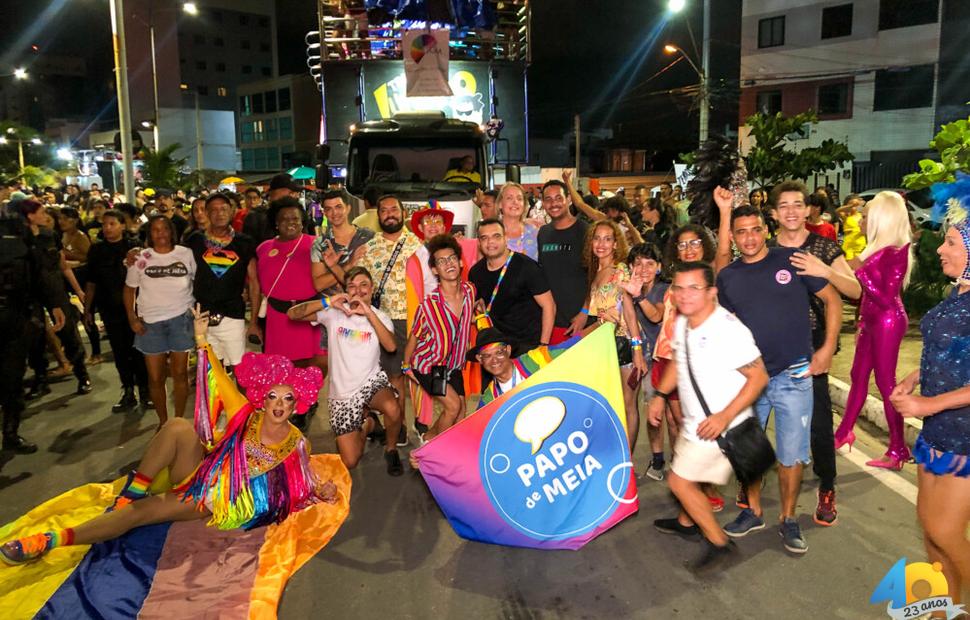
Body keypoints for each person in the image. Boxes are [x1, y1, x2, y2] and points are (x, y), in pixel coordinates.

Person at [0, 306, 339, 565]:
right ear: (261, 398)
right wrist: (201, 339)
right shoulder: (246, 416)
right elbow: (218, 380)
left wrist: (320, 489)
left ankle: (49, 540)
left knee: (139, 515)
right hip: (199, 471)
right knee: (177, 426)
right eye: (273, 397)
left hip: (207, 498)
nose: (279, 405)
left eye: (287, 399)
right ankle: (132, 491)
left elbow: (301, 481)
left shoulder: (297, 443)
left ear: (297, 405)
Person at [717, 204, 842, 554]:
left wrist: (827, 348)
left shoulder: (791, 260)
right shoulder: (728, 277)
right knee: (750, 453)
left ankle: (788, 519)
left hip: (794, 375)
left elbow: (832, 301)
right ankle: (753, 511)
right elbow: (721, 325)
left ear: (765, 229)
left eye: (755, 229)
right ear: (733, 236)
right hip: (750, 379)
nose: (749, 237)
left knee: (791, 455)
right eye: (741, 232)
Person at [650, 261, 768, 573]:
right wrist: (661, 396)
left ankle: (719, 543)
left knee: (679, 481)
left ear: (712, 292)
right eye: (679, 287)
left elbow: (759, 378)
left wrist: (722, 417)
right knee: (690, 473)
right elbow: (679, 359)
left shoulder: (728, 329)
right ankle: (689, 521)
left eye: (694, 288)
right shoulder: (683, 321)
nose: (685, 295)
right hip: (696, 423)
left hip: (720, 426)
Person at [890, 197, 970, 610]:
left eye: (952, 243)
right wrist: (915, 377)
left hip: (965, 440)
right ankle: (946, 612)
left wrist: (928, 404)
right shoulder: (958, 292)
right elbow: (951, 351)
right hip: (936, 432)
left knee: (945, 531)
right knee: (930, 533)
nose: (940, 249)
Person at [769, 180, 861, 526]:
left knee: (819, 420)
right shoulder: (765, 250)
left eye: (798, 204)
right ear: (775, 212)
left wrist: (825, 271)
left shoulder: (823, 248)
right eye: (785, 205)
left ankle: (826, 485)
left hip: (812, 343)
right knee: (758, 417)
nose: (792, 211)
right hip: (771, 344)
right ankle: (751, 486)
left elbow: (855, 290)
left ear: (808, 209)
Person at [288, 268, 404, 476]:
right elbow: (292, 314)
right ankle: (367, 423)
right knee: (350, 461)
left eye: (363, 285)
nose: (358, 290)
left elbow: (391, 347)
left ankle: (391, 449)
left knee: (393, 407)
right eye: (352, 286)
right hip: (342, 393)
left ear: (372, 289)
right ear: (346, 291)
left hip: (371, 382)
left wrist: (368, 313)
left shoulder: (381, 317)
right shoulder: (334, 314)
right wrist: (328, 302)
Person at [833, 191, 913, 469]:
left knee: (886, 383)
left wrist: (860, 272)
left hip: (888, 322)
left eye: (866, 216)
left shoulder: (896, 253)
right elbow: (869, 299)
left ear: (881, 219)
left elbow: (885, 297)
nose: (860, 220)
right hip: (871, 321)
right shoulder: (876, 251)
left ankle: (898, 448)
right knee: (858, 376)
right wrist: (861, 324)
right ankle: (843, 432)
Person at [355, 194, 424, 438]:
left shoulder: (419, 243)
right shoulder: (370, 247)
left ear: (403, 212)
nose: (389, 214)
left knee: (419, 375)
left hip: (417, 319)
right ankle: (399, 427)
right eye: (384, 210)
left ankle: (422, 422)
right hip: (383, 322)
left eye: (394, 209)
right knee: (394, 376)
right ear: (379, 216)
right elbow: (358, 283)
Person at [255, 197, 327, 430]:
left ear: (303, 220)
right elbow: (256, 284)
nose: (290, 222)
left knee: (317, 364)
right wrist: (254, 320)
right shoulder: (263, 248)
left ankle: (308, 399)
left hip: (309, 314)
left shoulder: (316, 243)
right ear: (275, 222)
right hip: (279, 316)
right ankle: (293, 407)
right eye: (284, 219)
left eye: (295, 218)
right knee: (284, 368)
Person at [0, 211, 67, 454]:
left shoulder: (16, 230)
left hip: (16, 315)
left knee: (13, 377)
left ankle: (10, 432)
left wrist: (54, 304)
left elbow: (37, 271)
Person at [125, 215, 197, 428]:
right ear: (149, 233)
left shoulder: (186, 254)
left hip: (180, 320)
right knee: (155, 378)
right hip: (150, 323)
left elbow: (198, 281)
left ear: (171, 231)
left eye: (164, 229)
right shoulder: (141, 258)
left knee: (180, 374)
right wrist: (132, 318)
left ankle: (179, 421)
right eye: (155, 230)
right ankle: (163, 422)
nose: (161, 233)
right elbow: (129, 290)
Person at [403, 235, 475, 445]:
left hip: (454, 365)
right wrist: (407, 366)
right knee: (452, 406)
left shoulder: (470, 291)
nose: (448, 264)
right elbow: (414, 336)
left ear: (461, 262)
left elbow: (470, 314)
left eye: (452, 258)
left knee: (461, 412)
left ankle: (429, 438)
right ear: (434, 270)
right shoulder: (429, 304)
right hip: (429, 366)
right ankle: (431, 452)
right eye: (441, 261)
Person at [584, 219, 648, 449]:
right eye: (597, 238)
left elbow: (630, 313)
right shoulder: (598, 272)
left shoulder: (620, 271)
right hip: (605, 347)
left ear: (615, 244)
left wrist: (637, 350)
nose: (601, 244)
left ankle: (627, 460)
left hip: (625, 346)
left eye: (607, 239)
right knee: (613, 404)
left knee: (628, 405)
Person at [183, 193, 261, 368]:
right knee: (211, 371)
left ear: (232, 211)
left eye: (224, 209)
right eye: (214, 210)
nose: (219, 214)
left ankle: (237, 398)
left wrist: (254, 321)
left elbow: (254, 284)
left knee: (240, 370)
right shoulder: (195, 240)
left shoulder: (244, 242)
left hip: (233, 315)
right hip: (202, 317)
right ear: (207, 214)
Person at [84, 209, 151, 413]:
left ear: (123, 225)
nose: (108, 228)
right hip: (110, 309)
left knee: (139, 351)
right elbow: (91, 282)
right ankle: (128, 391)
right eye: (104, 224)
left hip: (136, 308)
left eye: (112, 223)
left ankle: (146, 391)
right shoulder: (96, 251)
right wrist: (88, 309)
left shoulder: (134, 248)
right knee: (120, 352)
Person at [469, 219, 555, 350]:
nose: (490, 242)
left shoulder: (526, 266)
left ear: (506, 238)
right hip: (496, 348)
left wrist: (543, 346)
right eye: (484, 238)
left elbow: (549, 306)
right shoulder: (475, 273)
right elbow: (478, 308)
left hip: (527, 345)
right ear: (479, 243)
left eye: (496, 236)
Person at [624, 243, 670, 479]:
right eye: (638, 263)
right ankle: (658, 459)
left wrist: (638, 295)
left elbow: (656, 315)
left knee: (673, 416)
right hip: (644, 358)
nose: (644, 269)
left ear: (659, 267)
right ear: (630, 266)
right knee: (650, 411)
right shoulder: (627, 289)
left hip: (668, 359)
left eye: (650, 264)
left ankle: (682, 464)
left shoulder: (663, 289)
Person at [537, 179, 592, 345]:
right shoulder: (543, 233)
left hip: (582, 322)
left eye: (558, 198)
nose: (554, 203)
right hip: (553, 323)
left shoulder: (585, 231)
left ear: (568, 199)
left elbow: (596, 276)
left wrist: (585, 312)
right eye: (548, 199)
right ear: (543, 204)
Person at [497, 182, 539, 260]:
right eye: (509, 198)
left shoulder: (534, 232)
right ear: (500, 204)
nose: (515, 202)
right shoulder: (491, 233)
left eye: (519, 199)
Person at [837, 194, 867, 261]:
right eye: (851, 204)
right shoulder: (845, 216)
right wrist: (851, 205)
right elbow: (837, 211)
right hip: (848, 245)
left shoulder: (861, 215)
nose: (854, 207)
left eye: (856, 205)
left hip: (860, 244)